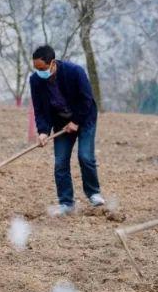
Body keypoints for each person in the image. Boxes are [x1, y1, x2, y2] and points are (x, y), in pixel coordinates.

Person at [29, 45, 104, 214]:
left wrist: (76, 121)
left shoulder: (74, 72)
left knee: (85, 156)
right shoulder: (35, 80)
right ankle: (66, 203)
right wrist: (43, 131)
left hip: (84, 118)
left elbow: (86, 99)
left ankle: (93, 193)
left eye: (42, 68)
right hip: (61, 121)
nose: (39, 72)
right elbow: (40, 109)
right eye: (36, 68)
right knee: (60, 162)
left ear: (53, 63)